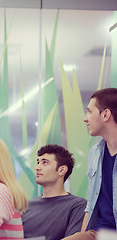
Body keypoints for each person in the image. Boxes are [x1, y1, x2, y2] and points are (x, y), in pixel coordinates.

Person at [63, 88, 117, 240]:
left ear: (105, 114)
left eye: (89, 111)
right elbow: (90, 205)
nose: (85, 118)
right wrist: (82, 234)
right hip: (99, 233)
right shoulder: (95, 153)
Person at [22, 144, 87, 240]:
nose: (37, 167)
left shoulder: (77, 205)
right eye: (38, 162)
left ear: (62, 170)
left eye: (45, 163)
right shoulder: (26, 206)